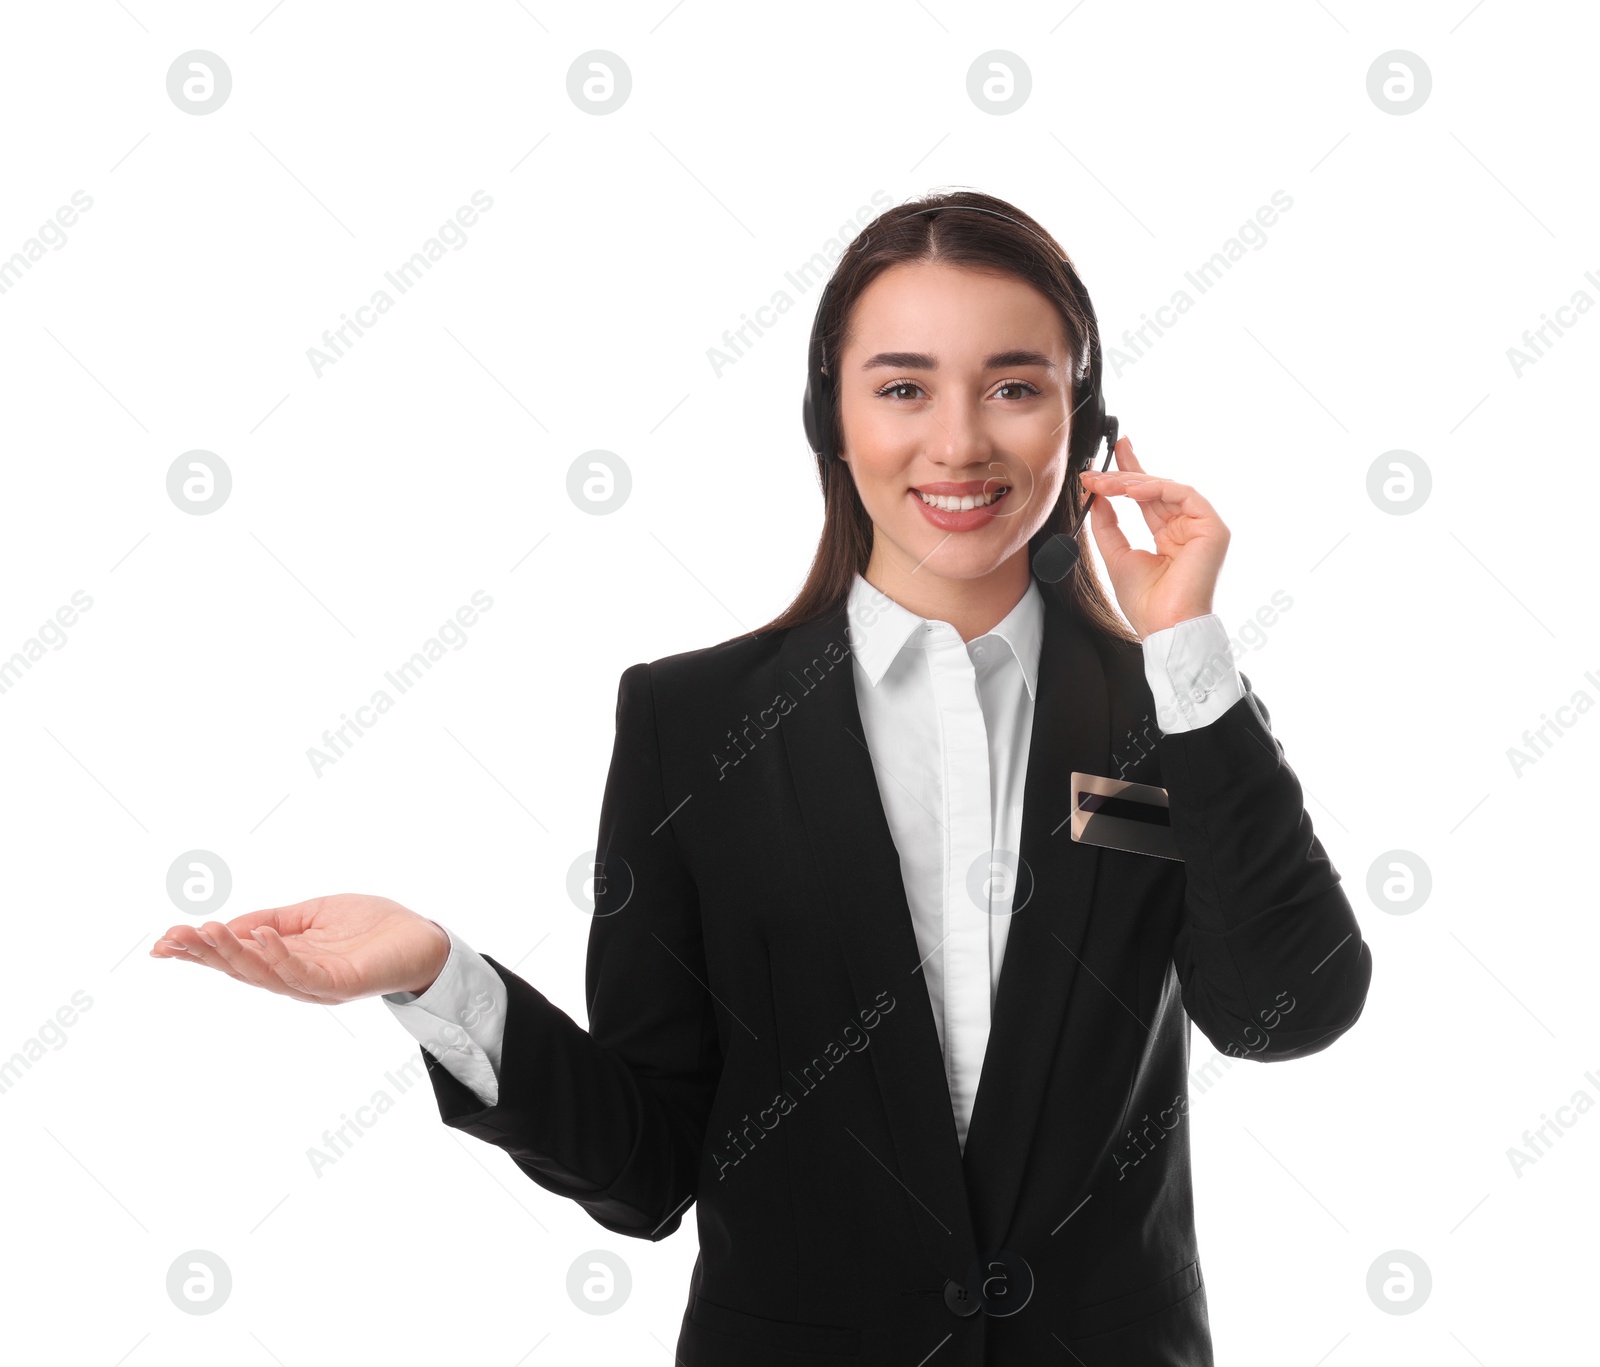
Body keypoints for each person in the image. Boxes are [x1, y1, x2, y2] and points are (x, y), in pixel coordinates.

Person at [151, 189, 1372, 1365]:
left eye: (1014, 386)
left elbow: (1287, 1011)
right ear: (830, 418)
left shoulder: (1176, 712)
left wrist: (1182, 647)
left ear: (1085, 424)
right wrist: (435, 971)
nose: (957, 441)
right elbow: (645, 1167)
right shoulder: (690, 723)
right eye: (902, 386)